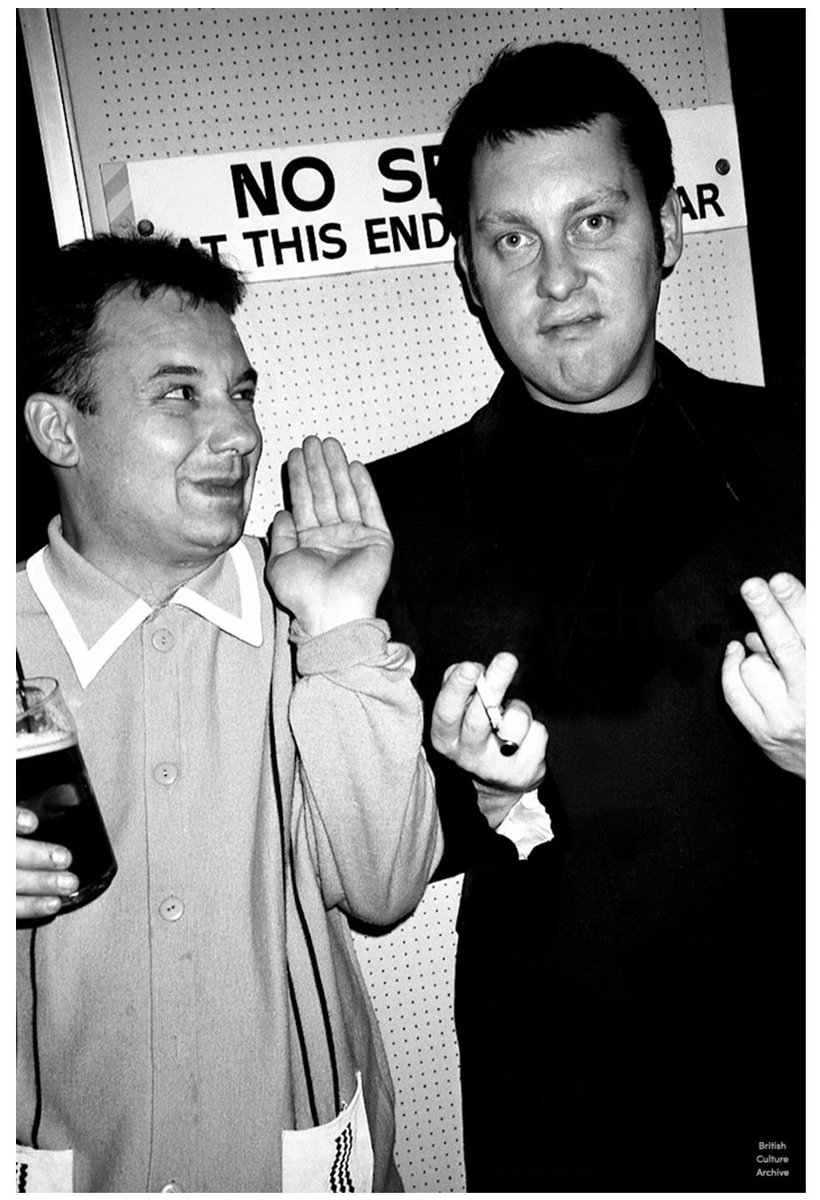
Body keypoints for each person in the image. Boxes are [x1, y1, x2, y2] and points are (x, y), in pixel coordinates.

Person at [370, 42, 805, 1192]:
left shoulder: (797, 457)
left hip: (786, 1071)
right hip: (557, 1088)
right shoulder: (391, 516)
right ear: (467, 268)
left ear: (666, 231)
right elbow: (384, 864)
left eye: (595, 223)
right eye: (512, 239)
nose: (555, 278)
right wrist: (486, 797)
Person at [16, 232, 444, 1193]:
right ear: (59, 429)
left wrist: (341, 630)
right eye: (180, 394)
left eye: (241, 392)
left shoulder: (308, 611)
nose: (241, 433)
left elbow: (386, 888)